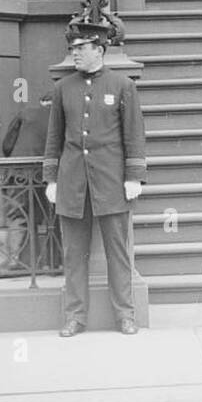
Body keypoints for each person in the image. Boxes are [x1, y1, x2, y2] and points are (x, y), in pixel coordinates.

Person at [44, 21, 146, 336]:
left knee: (118, 252)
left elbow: (134, 135)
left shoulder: (122, 85)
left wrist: (133, 176)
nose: (74, 54)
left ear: (99, 49)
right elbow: (54, 137)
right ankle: (75, 317)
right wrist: (51, 178)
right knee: (74, 255)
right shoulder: (64, 88)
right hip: (73, 183)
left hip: (111, 182)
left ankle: (125, 315)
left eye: (81, 48)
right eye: (72, 48)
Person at [0, 90, 59, 271]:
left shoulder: (26, 113)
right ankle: (53, 263)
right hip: (51, 175)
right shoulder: (62, 117)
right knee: (53, 219)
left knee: (20, 216)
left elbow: (7, 145)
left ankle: (18, 261)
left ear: (42, 102)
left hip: (21, 174)